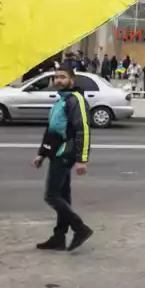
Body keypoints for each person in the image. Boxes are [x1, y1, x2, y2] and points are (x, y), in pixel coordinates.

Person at [30, 66, 93, 252]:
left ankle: (79, 228)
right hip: (56, 152)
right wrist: (42, 153)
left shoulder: (76, 100)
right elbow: (52, 131)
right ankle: (59, 237)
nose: (58, 80)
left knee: (51, 195)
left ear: (71, 81)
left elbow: (84, 130)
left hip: (66, 153)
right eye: (56, 77)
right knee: (63, 197)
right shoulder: (61, 100)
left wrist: (82, 159)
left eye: (62, 77)